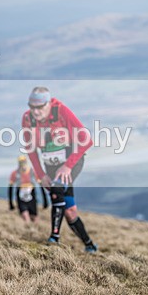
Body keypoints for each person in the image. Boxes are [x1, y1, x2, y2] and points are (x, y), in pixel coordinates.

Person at [21, 87, 98, 253]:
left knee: (57, 188)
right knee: (69, 211)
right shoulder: (27, 119)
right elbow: (31, 150)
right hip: (50, 164)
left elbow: (86, 140)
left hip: (71, 160)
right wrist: (41, 175)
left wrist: (67, 166)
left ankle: (54, 238)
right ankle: (90, 244)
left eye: (40, 107)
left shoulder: (61, 111)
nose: (35, 111)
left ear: (48, 103)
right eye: (32, 106)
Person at [8, 155, 39, 225]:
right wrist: (10, 203)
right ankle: (28, 231)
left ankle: (35, 231)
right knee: (25, 216)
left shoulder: (32, 172)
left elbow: (40, 184)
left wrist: (45, 201)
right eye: (21, 162)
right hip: (21, 197)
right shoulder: (15, 174)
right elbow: (10, 187)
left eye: (23, 162)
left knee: (34, 217)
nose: (22, 164)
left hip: (31, 196)